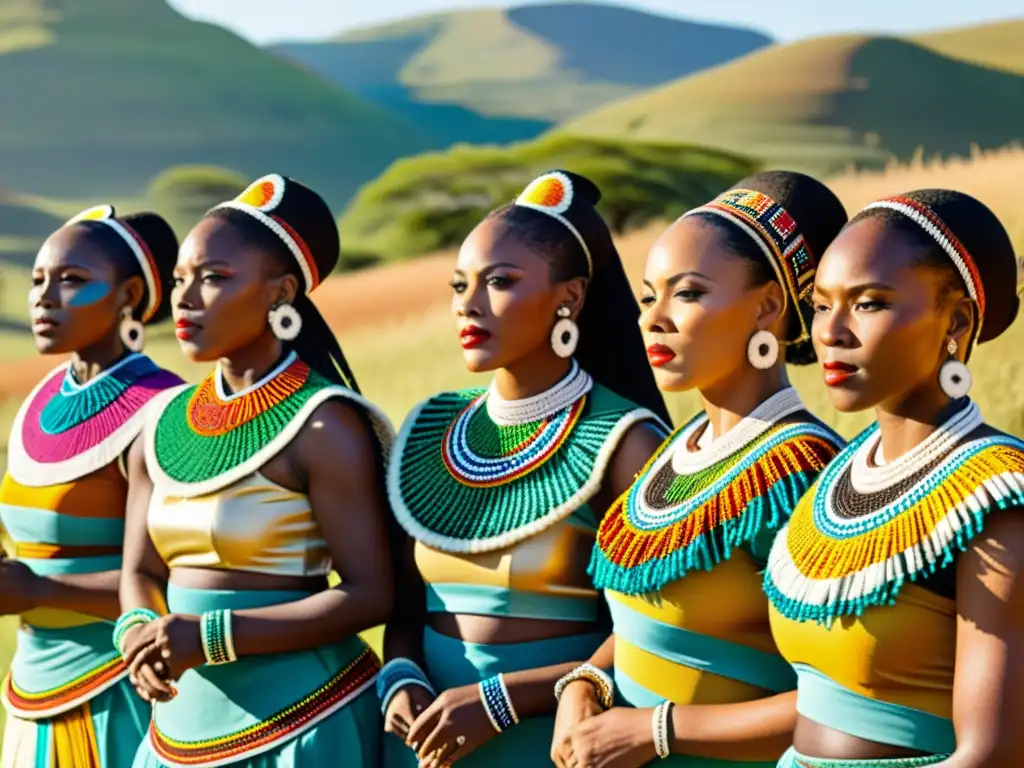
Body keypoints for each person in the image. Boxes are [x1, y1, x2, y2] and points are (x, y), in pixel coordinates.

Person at [553, 172, 850, 767]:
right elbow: (647, 625)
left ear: (767, 306)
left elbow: (847, 702)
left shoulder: (805, 472)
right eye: (647, 297)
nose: (652, 320)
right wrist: (586, 683)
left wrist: (653, 731)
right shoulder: (676, 448)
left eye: (686, 294)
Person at [380, 170, 671, 767]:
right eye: (461, 284)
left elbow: (658, 634)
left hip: (552, 745)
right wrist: (401, 675)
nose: (469, 303)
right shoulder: (429, 427)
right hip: (424, 745)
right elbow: (406, 603)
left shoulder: (627, 440)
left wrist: (505, 699)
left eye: (500, 282)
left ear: (571, 298)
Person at [116, 174, 396, 767]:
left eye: (214, 278)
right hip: (175, 726)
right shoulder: (161, 420)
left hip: (303, 721)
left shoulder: (325, 426)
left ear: (281, 292)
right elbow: (140, 569)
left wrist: (211, 638)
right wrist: (140, 634)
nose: (185, 298)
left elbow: (372, 594)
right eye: (182, 279)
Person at [765, 189, 1024, 768]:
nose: (831, 331)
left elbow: (994, 755)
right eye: (821, 304)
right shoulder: (841, 474)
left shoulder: (998, 500)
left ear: (955, 321)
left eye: (869, 304)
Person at [0, 205, 182, 766]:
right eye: (37, 280)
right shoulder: (39, 402)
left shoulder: (163, 410)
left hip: (121, 690)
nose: (44, 297)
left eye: (71, 280)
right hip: (29, 688)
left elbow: (183, 581)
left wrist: (39, 592)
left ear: (128, 295)